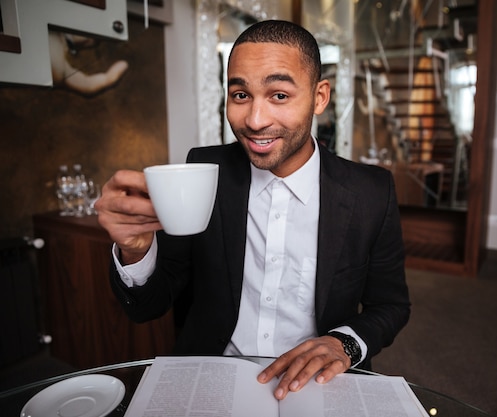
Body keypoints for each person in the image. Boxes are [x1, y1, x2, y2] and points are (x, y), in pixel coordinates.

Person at [95, 19, 410, 400]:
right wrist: (136, 250)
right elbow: (149, 305)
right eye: (241, 95)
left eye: (279, 95)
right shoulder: (201, 172)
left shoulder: (370, 192)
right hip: (212, 371)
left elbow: (390, 304)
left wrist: (344, 344)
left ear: (320, 97)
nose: (255, 122)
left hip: (318, 381)